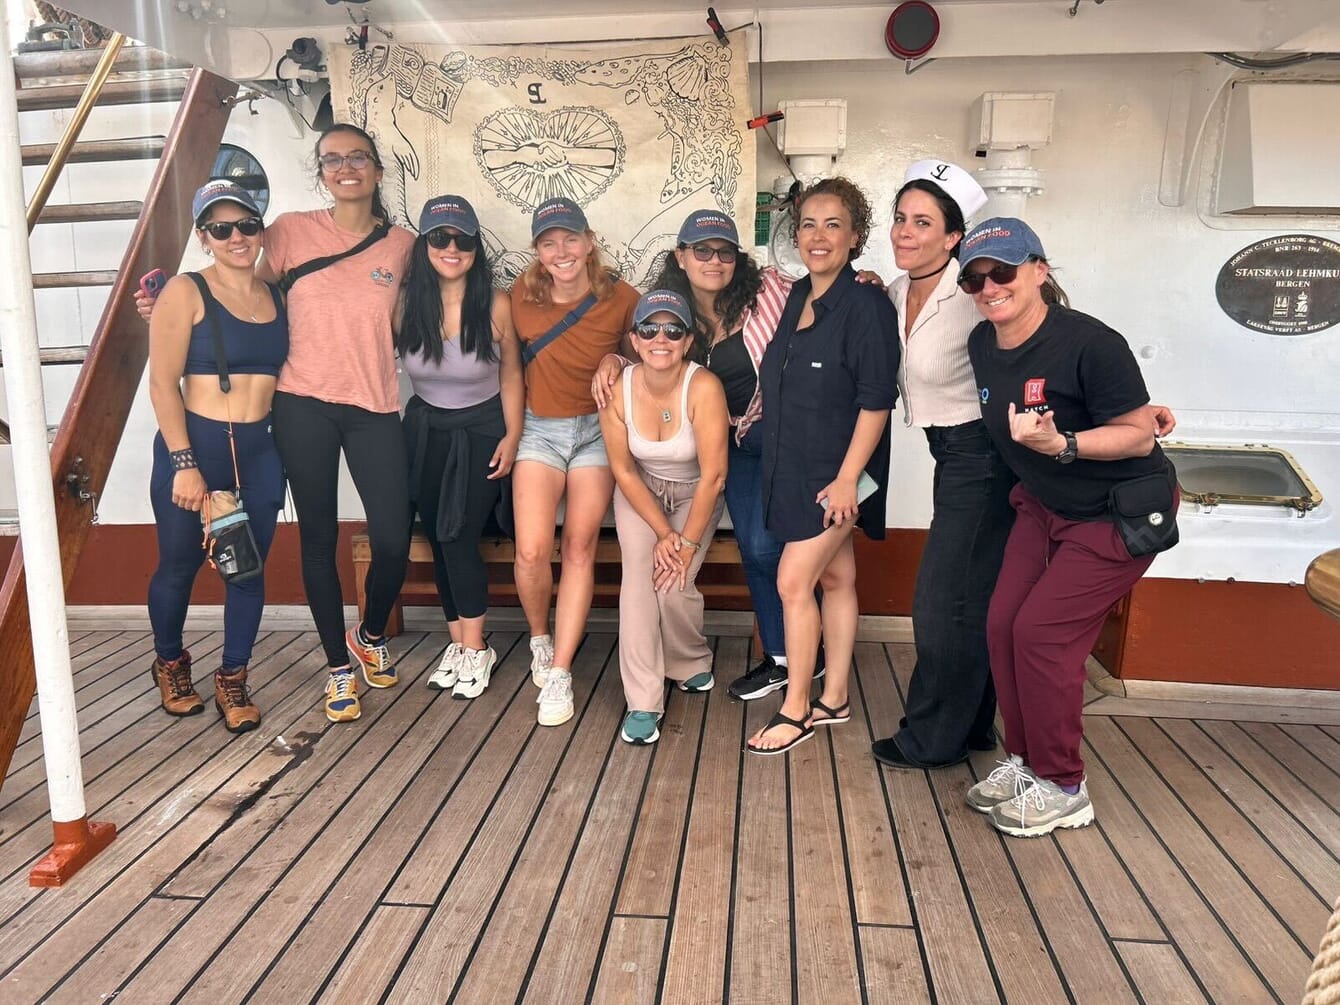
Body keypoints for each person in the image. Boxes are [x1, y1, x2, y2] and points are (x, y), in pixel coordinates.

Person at [959, 217, 1180, 837]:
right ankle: (1025, 762)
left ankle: (1063, 785)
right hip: (1046, 507)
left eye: (1002, 271)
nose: (989, 286)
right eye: (975, 278)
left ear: (1039, 270)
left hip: (1117, 513)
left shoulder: (1089, 343)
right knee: (1003, 623)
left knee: (1041, 634)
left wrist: (1064, 443)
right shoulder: (983, 343)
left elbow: (1138, 435)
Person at [257, 124, 416, 722]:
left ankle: (369, 635)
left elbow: (422, 317)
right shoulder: (291, 232)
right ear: (320, 171)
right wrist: (169, 298)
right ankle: (338, 669)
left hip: (374, 404)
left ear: (378, 170)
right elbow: (236, 291)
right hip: (301, 402)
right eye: (331, 160)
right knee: (319, 541)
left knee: (395, 539)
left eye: (357, 158)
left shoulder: (403, 245)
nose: (344, 168)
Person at [869, 161, 1016, 769]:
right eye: (901, 218)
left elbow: (1034, 346)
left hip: (982, 454)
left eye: (923, 222)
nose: (905, 231)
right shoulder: (897, 292)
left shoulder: (976, 294)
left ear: (954, 237)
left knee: (942, 601)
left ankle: (932, 739)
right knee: (971, 595)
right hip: (946, 452)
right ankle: (975, 724)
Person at [745, 177, 900, 755]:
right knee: (836, 578)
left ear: (856, 236)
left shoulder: (866, 306)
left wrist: (844, 480)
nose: (818, 236)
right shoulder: (794, 297)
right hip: (794, 469)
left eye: (833, 224)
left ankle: (796, 710)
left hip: (837, 478)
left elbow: (876, 400)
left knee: (792, 581)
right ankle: (835, 697)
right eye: (809, 223)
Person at [146, 180, 287, 733]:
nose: (236, 237)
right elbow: (161, 384)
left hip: (258, 450)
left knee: (247, 571)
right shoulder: (185, 292)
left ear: (259, 231)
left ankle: (232, 678)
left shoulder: (274, 292)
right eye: (221, 229)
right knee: (180, 564)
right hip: (197, 445)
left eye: (247, 226)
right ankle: (170, 664)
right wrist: (184, 462)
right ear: (203, 237)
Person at [510, 197, 640, 726]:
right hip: (539, 428)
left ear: (588, 242)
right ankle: (540, 636)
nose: (560, 251)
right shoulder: (519, 295)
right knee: (531, 551)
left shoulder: (621, 296)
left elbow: (653, 348)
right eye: (548, 242)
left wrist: (617, 356)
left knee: (580, 546)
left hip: (597, 433)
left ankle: (561, 671)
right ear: (538, 252)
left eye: (570, 239)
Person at [398, 195, 523, 699]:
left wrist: (513, 436)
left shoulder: (495, 302)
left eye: (463, 240)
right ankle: (458, 642)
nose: (452, 248)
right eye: (440, 238)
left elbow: (512, 372)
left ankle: (477, 649)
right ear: (424, 244)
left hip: (482, 431)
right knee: (436, 534)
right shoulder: (406, 303)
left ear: (476, 247)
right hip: (426, 429)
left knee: (456, 535)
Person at [599, 290, 729, 744]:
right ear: (634, 340)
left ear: (688, 340)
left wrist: (683, 544)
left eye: (673, 330)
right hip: (641, 492)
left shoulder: (704, 386)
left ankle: (689, 659)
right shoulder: (618, 388)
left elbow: (714, 475)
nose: (661, 338)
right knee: (639, 580)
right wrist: (661, 532)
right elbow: (622, 469)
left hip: (697, 491)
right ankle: (643, 700)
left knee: (674, 581)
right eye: (649, 329)